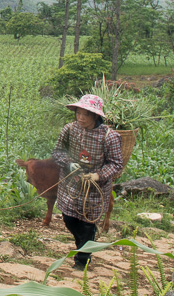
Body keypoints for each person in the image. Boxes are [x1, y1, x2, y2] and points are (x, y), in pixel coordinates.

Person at [51, 93, 124, 270]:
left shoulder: (109, 137)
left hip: (94, 189)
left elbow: (116, 164)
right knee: (69, 218)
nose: (81, 118)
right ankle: (83, 245)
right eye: (78, 113)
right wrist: (70, 164)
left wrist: (98, 175)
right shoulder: (69, 130)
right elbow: (58, 152)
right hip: (71, 184)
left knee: (87, 223)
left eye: (86, 114)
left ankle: (82, 260)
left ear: (95, 115)